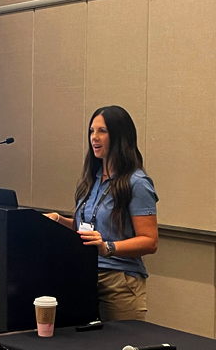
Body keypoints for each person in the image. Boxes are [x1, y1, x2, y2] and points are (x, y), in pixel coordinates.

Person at [44, 105, 158, 322]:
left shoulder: (137, 183)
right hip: (85, 277)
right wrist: (58, 221)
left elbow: (150, 241)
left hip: (119, 283)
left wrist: (108, 248)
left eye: (101, 131)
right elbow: (89, 230)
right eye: (91, 131)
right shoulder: (93, 179)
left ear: (120, 136)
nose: (94, 138)